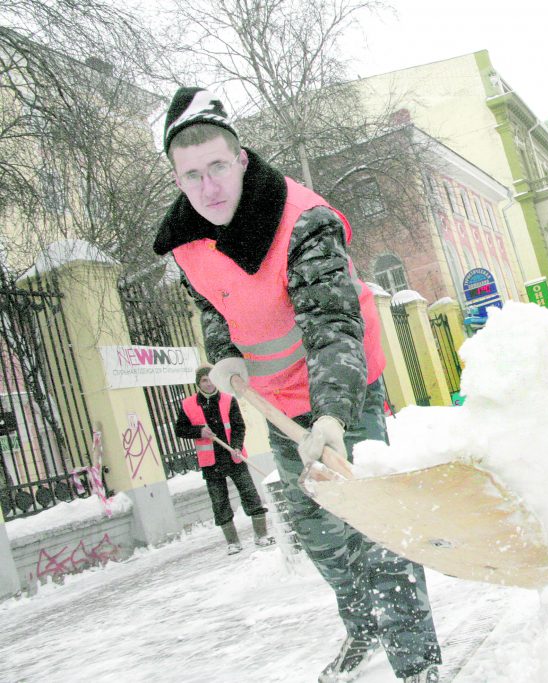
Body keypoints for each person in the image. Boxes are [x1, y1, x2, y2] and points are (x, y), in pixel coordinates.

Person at [152, 88, 441, 683]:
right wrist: (226, 352)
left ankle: (418, 665)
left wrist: (333, 415)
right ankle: (363, 627)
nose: (209, 188)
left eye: (218, 168)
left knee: (373, 525)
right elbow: (212, 301)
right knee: (318, 532)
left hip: (345, 389)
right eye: (192, 176)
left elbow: (334, 326)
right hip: (277, 399)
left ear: (241, 159)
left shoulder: (301, 219)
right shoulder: (184, 240)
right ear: (177, 179)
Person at [174, 365, 272, 554]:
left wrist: (236, 446)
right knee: (219, 502)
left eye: (211, 379)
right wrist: (198, 431)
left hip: (234, 457)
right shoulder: (188, 405)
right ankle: (232, 542)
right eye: (204, 380)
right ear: (198, 383)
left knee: (250, 494)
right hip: (211, 463)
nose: (208, 383)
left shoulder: (228, 400)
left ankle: (262, 536)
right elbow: (180, 429)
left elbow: (238, 426)